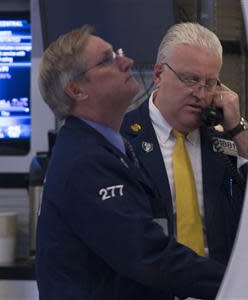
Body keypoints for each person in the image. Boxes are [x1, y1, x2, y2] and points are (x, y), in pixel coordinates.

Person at [36, 24, 225, 300]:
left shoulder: (108, 148)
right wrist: (236, 283)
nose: (127, 62)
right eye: (107, 60)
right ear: (76, 90)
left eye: (118, 54)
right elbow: (146, 254)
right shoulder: (86, 161)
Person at [121, 23, 247, 266]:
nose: (200, 94)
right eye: (190, 80)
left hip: (219, 286)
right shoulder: (122, 137)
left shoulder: (223, 141)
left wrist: (238, 128)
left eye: (210, 83)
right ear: (158, 75)